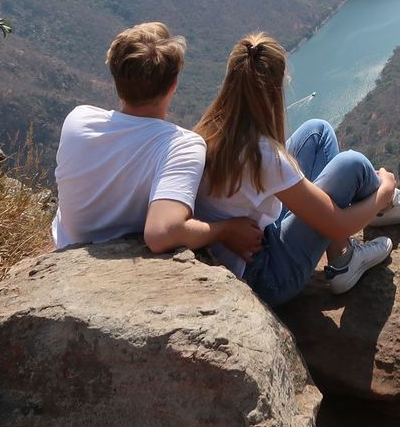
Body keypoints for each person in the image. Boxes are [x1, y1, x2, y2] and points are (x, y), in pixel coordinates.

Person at [194, 32, 400, 305]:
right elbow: (338, 225)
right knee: (353, 165)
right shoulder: (263, 155)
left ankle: (342, 256)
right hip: (267, 277)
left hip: (248, 242)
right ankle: (384, 205)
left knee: (317, 132)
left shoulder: (204, 135)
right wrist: (384, 189)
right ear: (275, 89)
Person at [51, 22, 264, 262]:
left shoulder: (78, 120)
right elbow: (161, 235)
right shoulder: (180, 145)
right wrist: (226, 230)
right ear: (173, 85)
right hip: (114, 269)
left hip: (66, 253)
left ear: (116, 77)